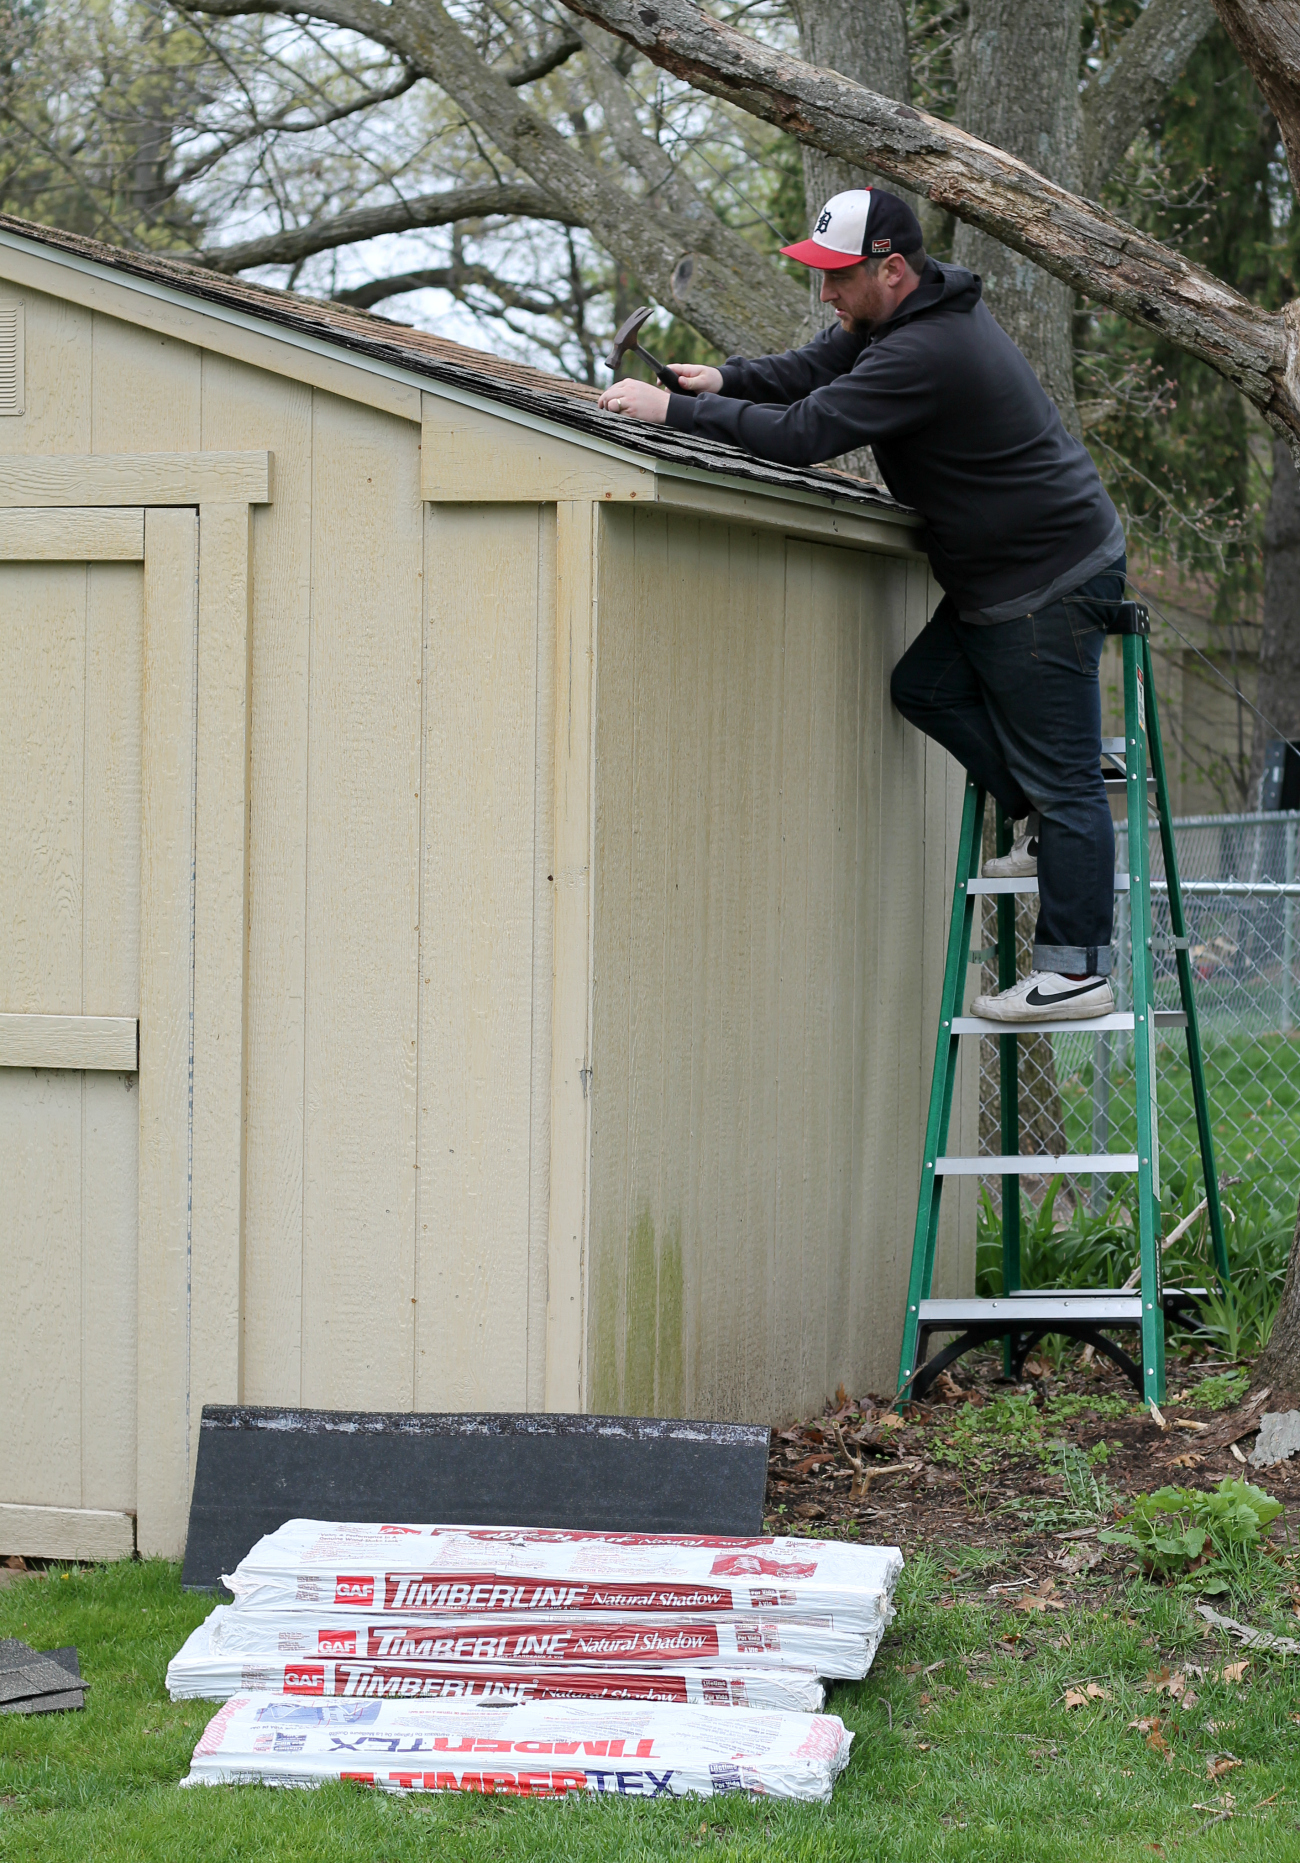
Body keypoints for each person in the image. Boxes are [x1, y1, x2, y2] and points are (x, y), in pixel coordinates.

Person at [596, 188, 1125, 1024]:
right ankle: (1053, 790)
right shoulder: (894, 318)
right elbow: (808, 374)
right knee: (927, 688)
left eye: (837, 279)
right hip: (1006, 577)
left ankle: (1075, 968)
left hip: (1044, 579)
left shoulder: (929, 351)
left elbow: (808, 431)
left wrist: (676, 411)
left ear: (892, 268)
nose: (827, 296)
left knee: (1065, 787)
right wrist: (725, 379)